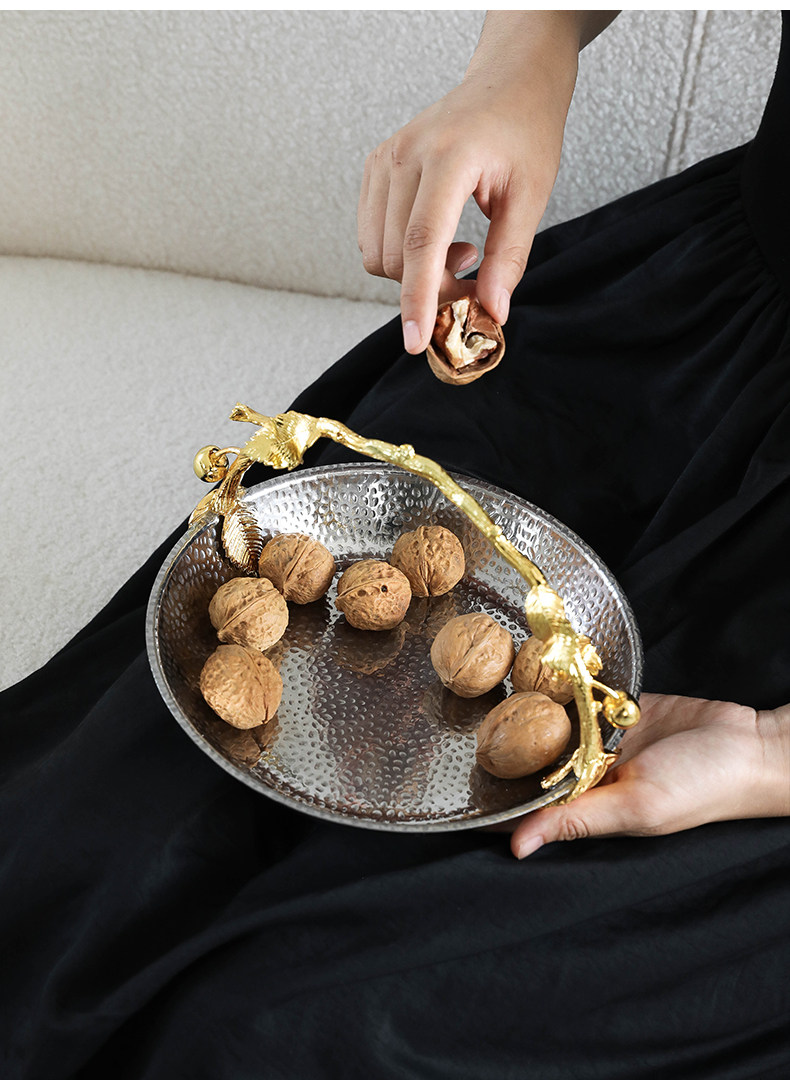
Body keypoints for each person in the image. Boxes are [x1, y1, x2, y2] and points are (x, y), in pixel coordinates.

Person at [1, 10, 788, 1079]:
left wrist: (767, 753)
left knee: (288, 1025)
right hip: (682, 334)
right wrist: (527, 59)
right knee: (79, 855)